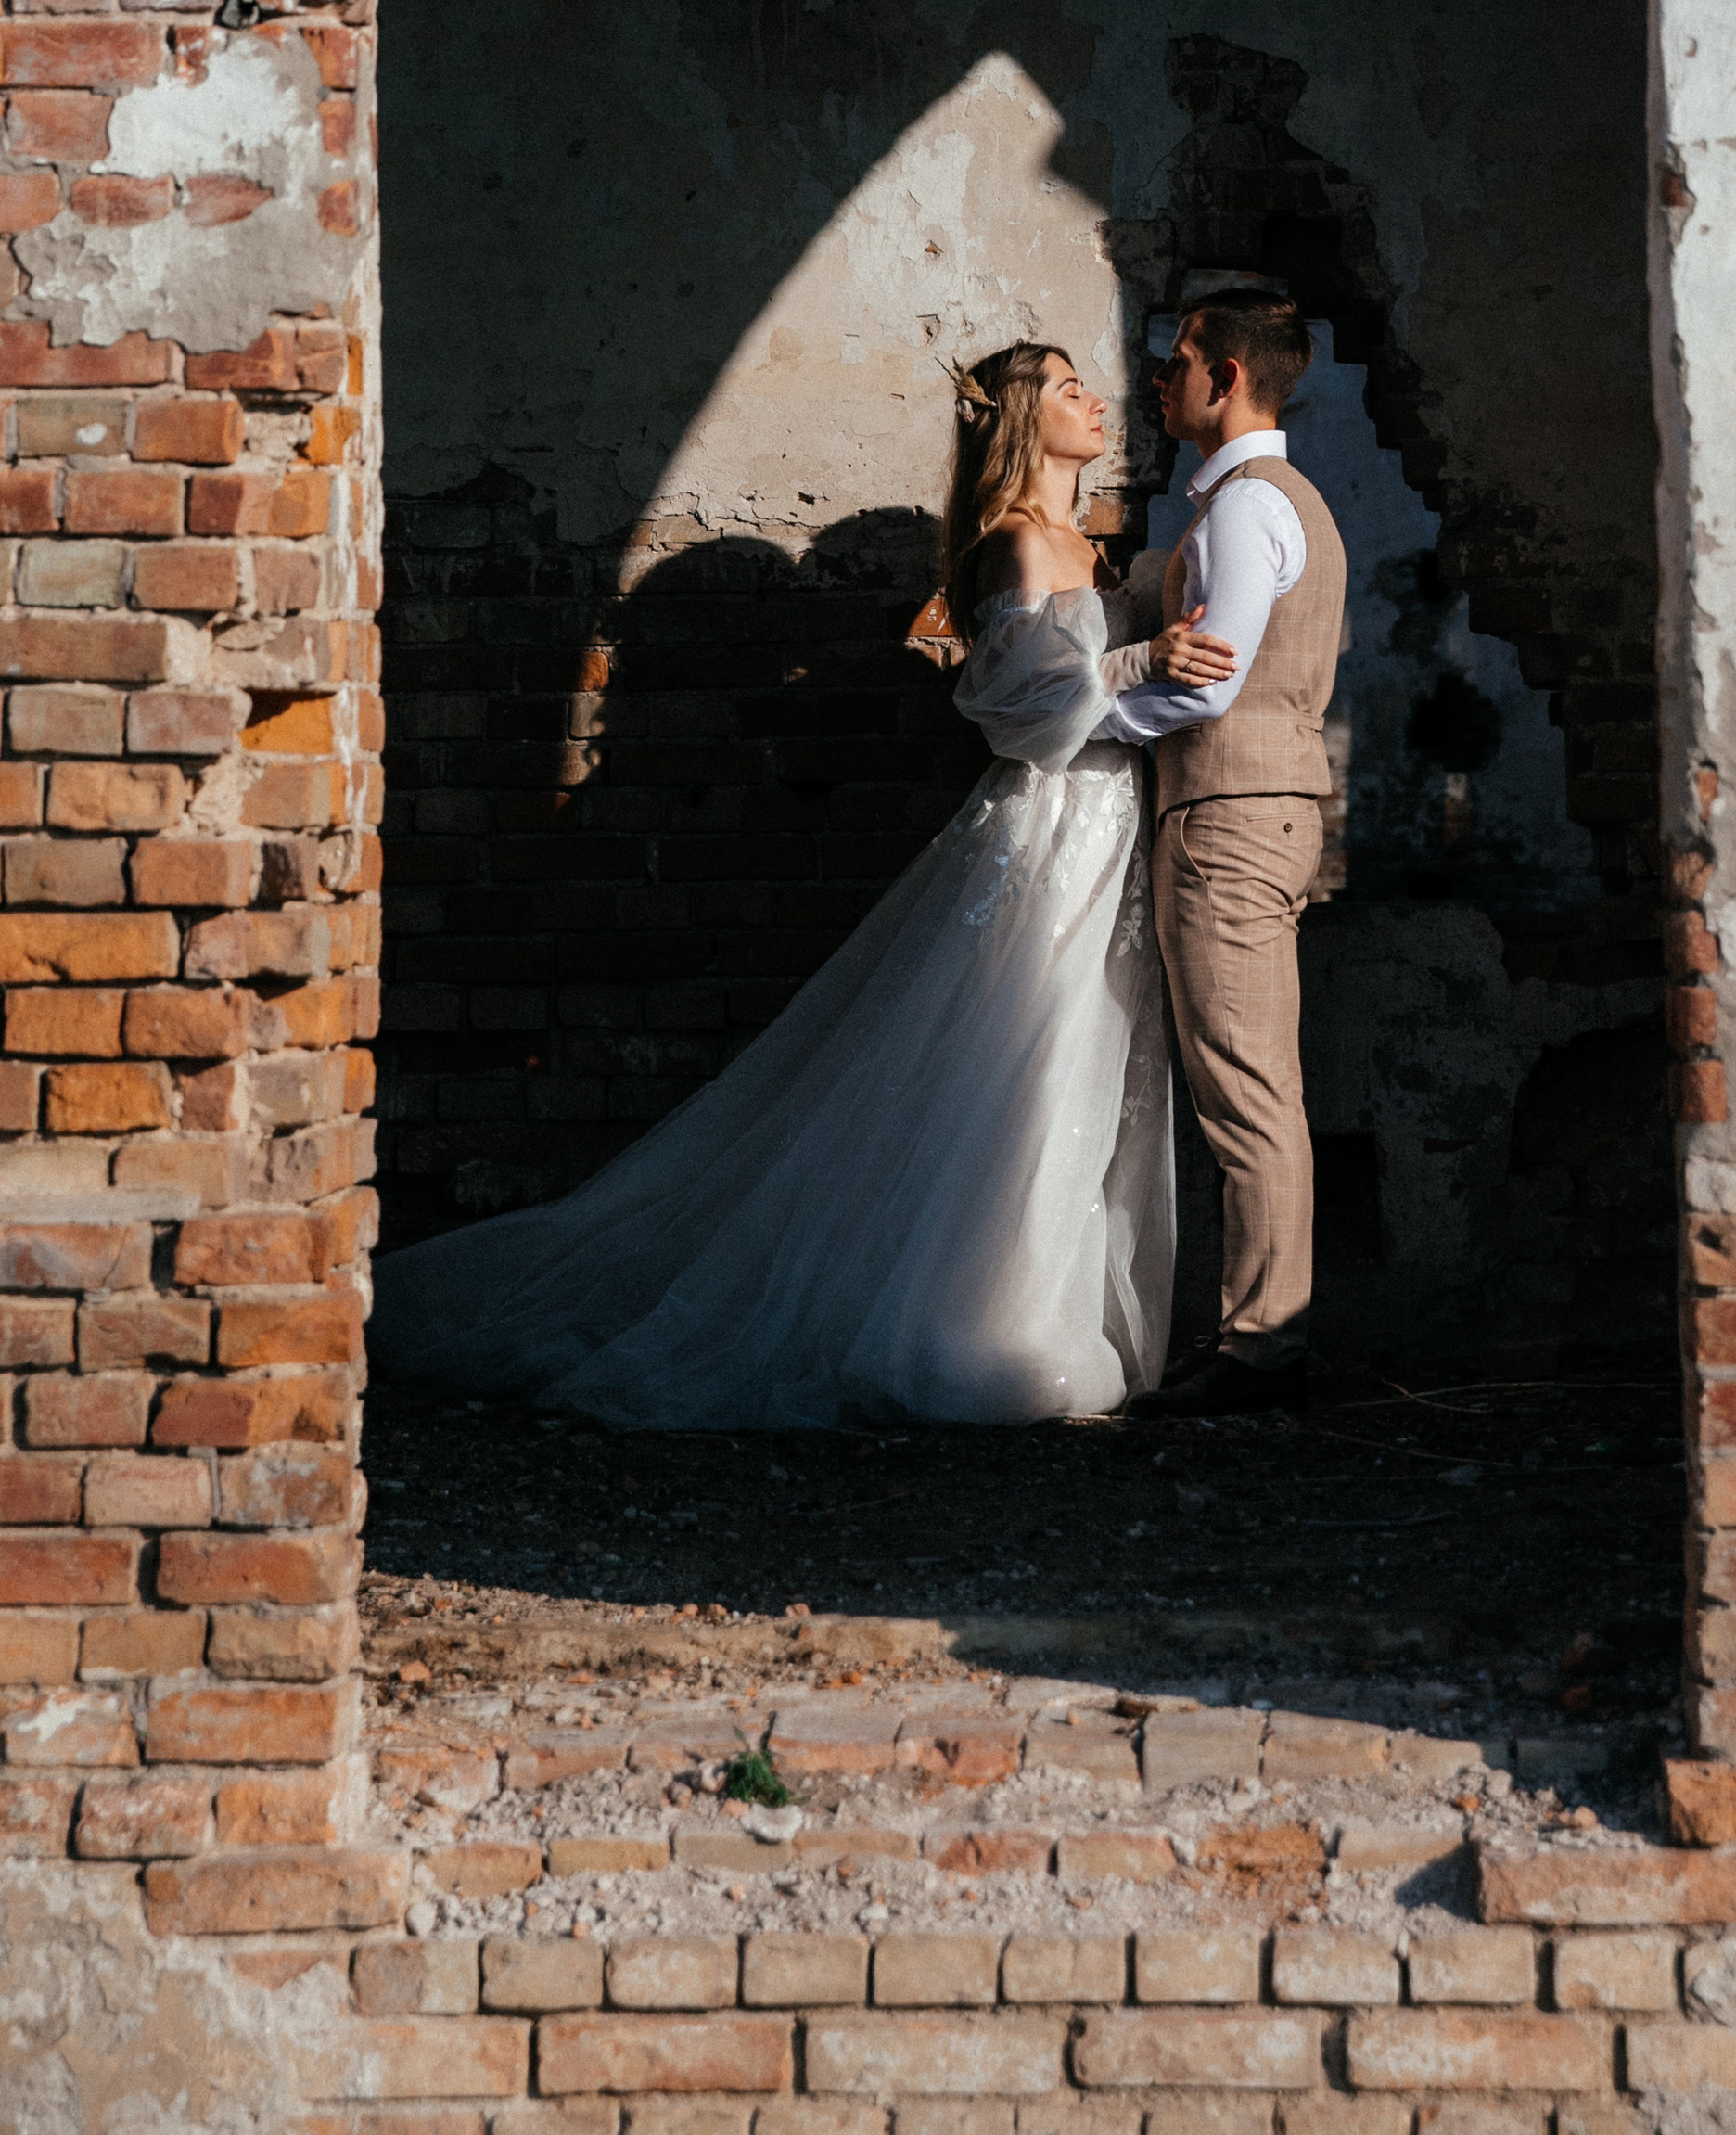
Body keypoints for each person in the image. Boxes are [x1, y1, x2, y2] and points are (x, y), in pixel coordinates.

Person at [368, 343, 1232, 1428]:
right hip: (1052, 828)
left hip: (1107, 822)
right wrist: (1141, 663)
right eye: (1067, 387)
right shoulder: (1015, 543)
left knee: (1081, 1051)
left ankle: (1021, 1308)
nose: (1093, 399)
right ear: (1019, 419)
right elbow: (1012, 706)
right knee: (1020, 1047)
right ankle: (968, 1321)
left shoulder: (1080, 546)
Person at [1099, 292, 1347, 1419]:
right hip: (1249, 811)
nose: (1163, 380)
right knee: (1250, 1085)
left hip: (1231, 815)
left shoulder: (1250, 508)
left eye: (1181, 360)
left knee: (1246, 1090)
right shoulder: (1248, 504)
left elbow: (1205, 682)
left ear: (1230, 375)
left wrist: (1074, 724)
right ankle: (1256, 1339)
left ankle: (1261, 1351)